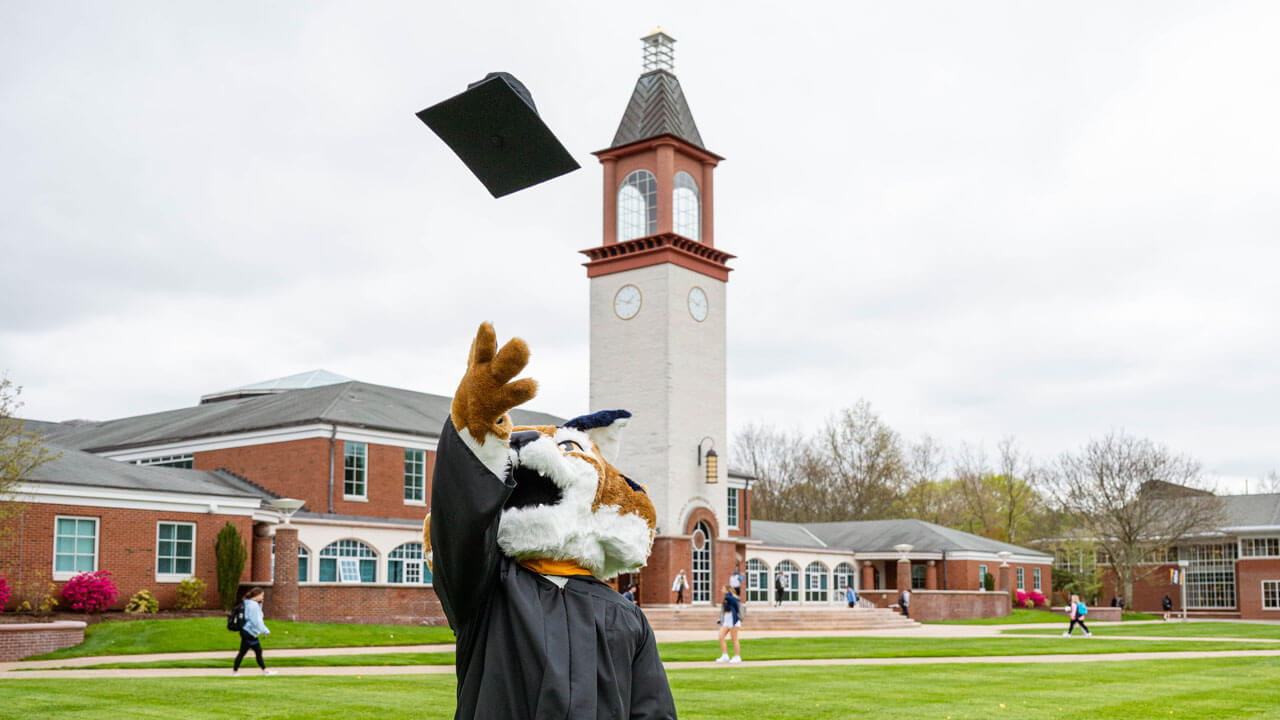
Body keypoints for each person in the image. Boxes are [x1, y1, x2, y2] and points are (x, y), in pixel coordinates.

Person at [232, 587, 277, 676]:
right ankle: (235, 672)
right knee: (251, 652)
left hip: (246, 631)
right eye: (262, 595)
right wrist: (265, 630)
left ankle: (264, 671)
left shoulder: (248, 603)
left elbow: (257, 616)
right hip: (249, 632)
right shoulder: (253, 605)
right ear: (257, 595)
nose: (263, 597)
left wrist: (260, 605)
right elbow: (256, 621)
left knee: (252, 652)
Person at [716, 584, 743, 663]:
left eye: (723, 588)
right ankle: (725, 656)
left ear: (727, 590)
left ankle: (737, 656)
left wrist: (729, 595)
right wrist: (721, 619)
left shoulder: (730, 597)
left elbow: (736, 604)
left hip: (733, 620)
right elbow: (724, 610)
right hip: (727, 620)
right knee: (721, 637)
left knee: (734, 639)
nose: (721, 589)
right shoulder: (727, 598)